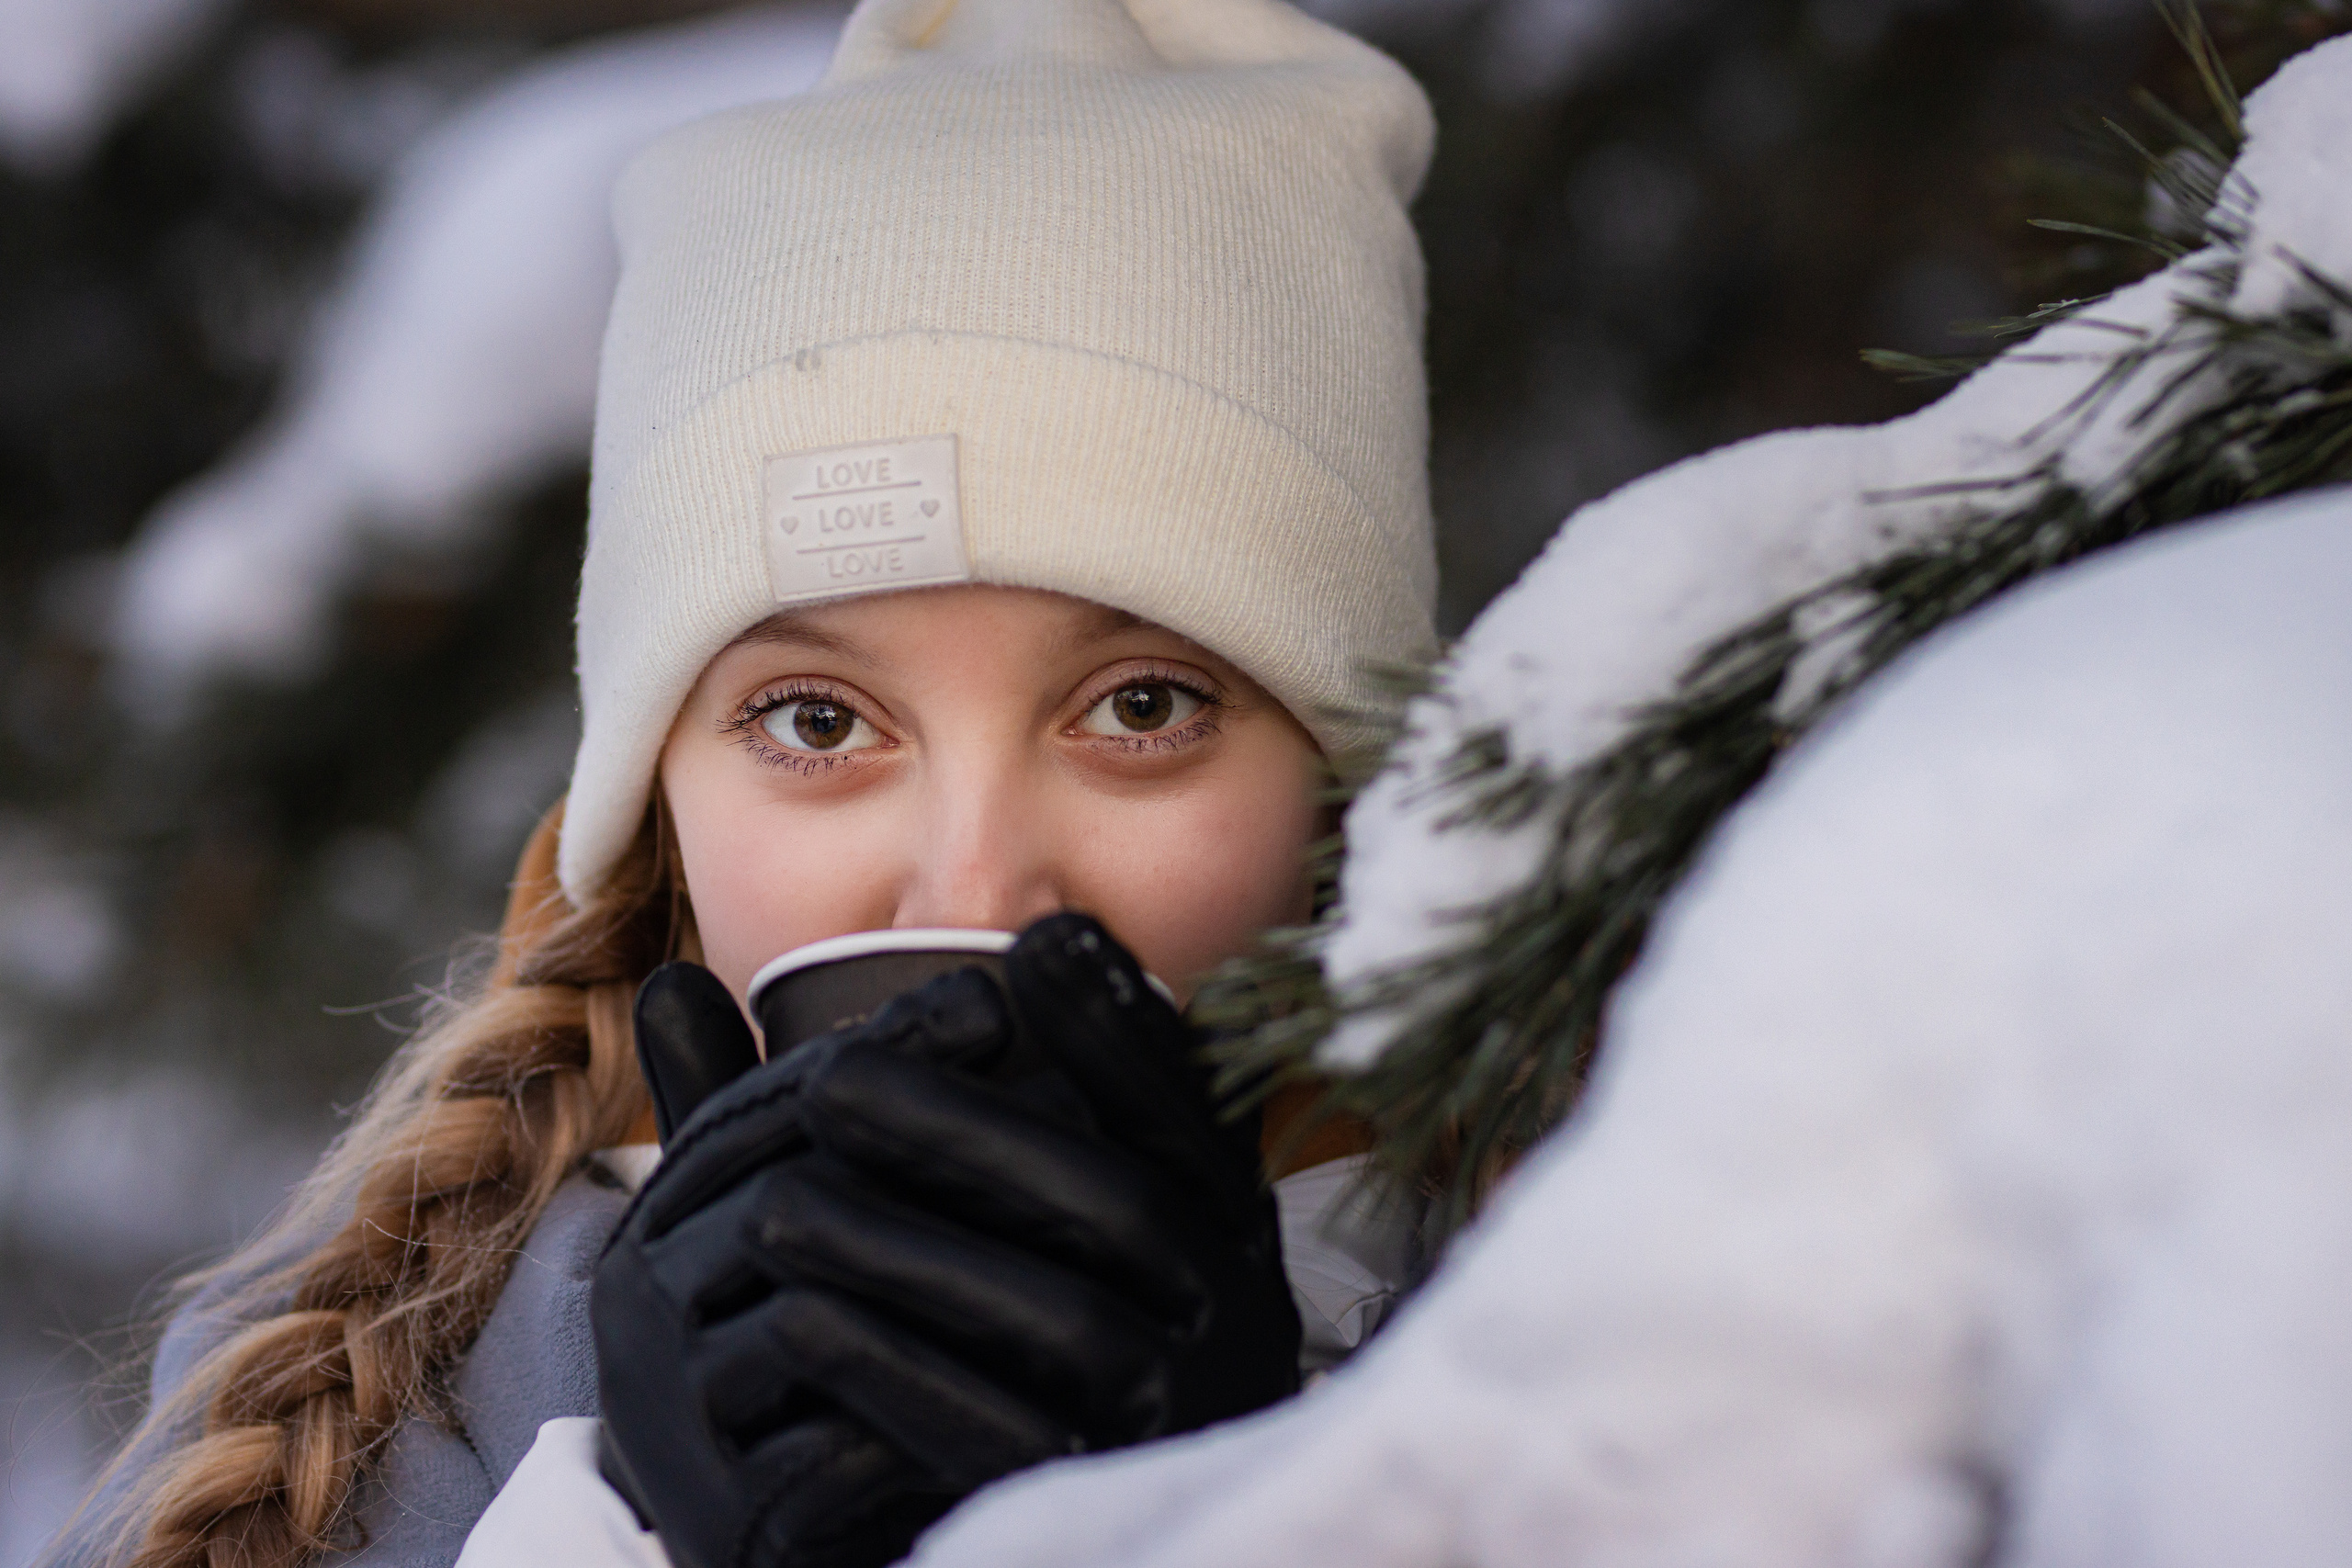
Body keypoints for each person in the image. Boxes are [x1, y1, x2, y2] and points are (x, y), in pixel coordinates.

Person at [48, 2, 1439, 1566]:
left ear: (1343, 794)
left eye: (1143, 705)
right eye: (820, 722)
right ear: (660, 811)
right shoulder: (326, 1455)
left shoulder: (1599, 1356)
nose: (976, 888)